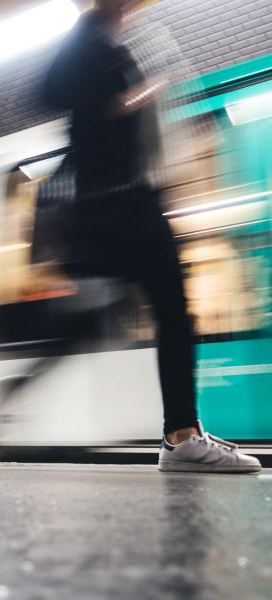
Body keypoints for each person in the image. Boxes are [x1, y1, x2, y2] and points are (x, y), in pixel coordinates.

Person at [43, 0, 261, 472]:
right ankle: (181, 436)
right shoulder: (90, 42)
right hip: (118, 201)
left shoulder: (110, 42)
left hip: (130, 198)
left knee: (160, 309)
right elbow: (50, 92)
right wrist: (135, 96)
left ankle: (180, 433)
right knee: (174, 310)